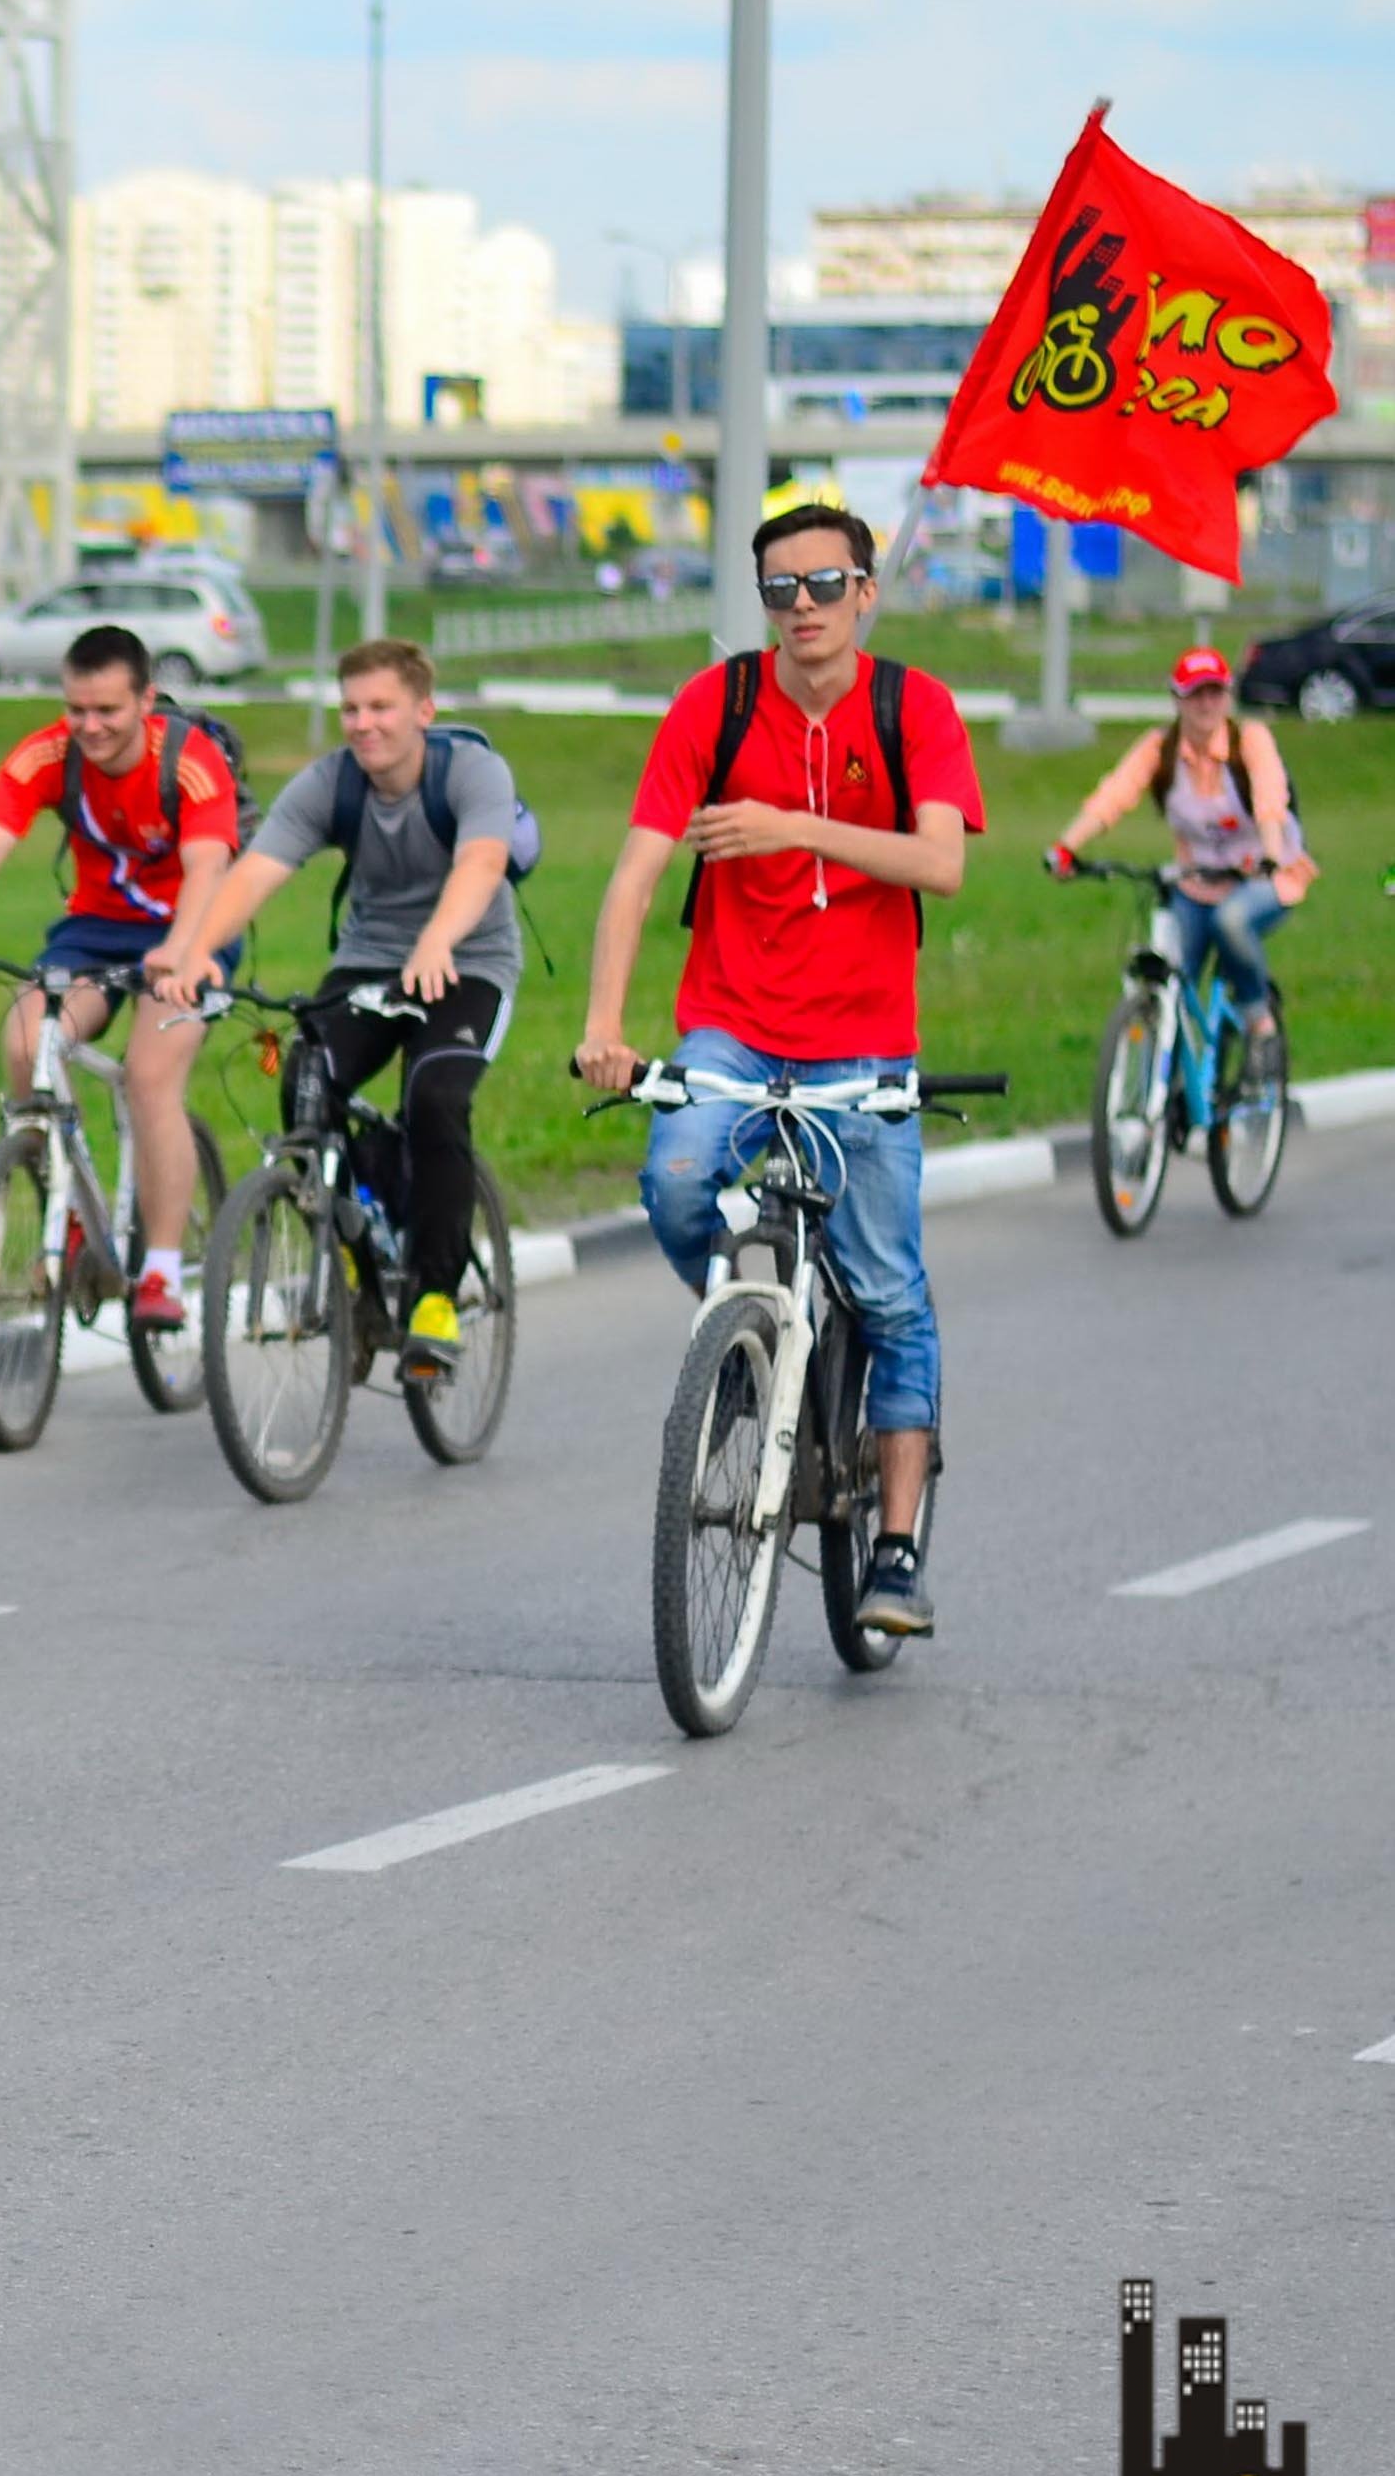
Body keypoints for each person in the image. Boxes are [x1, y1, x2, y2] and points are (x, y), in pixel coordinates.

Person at [573, 503, 983, 1637]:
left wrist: (796, 829)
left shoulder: (914, 708)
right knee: (673, 1177)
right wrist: (605, 1024)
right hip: (732, 1025)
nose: (800, 606)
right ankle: (744, 1344)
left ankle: (894, 1551)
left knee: (893, 1297)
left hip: (862, 1044)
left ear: (866, 594)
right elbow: (634, 876)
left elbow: (940, 864)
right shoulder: (718, 704)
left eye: (823, 583)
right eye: (778, 589)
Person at [183, 638, 527, 1384]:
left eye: (381, 707)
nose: (363, 724)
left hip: (468, 958)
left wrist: (438, 940)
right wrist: (199, 950)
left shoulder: (471, 772)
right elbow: (258, 871)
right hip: (370, 959)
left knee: (435, 1098)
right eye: (350, 708)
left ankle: (435, 1296)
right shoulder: (329, 784)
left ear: (423, 712)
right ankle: (355, 1262)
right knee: (304, 1079)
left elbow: (482, 864)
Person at [0, 622, 240, 1330]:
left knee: (150, 1076)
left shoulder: (191, 759)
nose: (89, 726)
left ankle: (162, 1272)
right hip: (94, 929)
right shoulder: (47, 754)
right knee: (28, 1042)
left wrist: (183, 950)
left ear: (146, 699)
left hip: (193, 926)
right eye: (76, 709)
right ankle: (69, 1203)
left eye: (108, 711)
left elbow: (211, 866)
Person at [1047, 644, 1311, 1035]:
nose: (1206, 704)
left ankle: (1259, 1020)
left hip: (1261, 878)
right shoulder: (1160, 749)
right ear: (1176, 699)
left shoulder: (1249, 740)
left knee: (1232, 922)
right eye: (1195, 694)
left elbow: (1270, 799)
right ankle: (1167, 1077)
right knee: (1168, 970)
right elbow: (1113, 797)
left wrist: (1270, 855)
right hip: (1196, 883)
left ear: (1228, 695)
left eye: (1214, 692)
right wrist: (1066, 847)